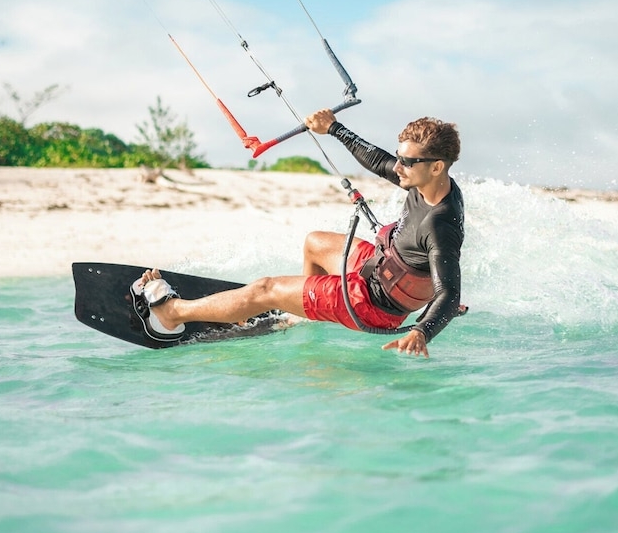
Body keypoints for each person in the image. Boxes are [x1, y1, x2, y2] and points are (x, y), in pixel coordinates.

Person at [134, 109, 465, 357]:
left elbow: (448, 294)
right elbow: (377, 160)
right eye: (399, 157)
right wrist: (333, 128)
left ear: (436, 166)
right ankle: (307, 313)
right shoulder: (426, 181)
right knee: (315, 242)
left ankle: (171, 313)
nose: (397, 167)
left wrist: (422, 330)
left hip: (375, 305)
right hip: (378, 266)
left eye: (406, 162)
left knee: (266, 288)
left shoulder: (441, 223)